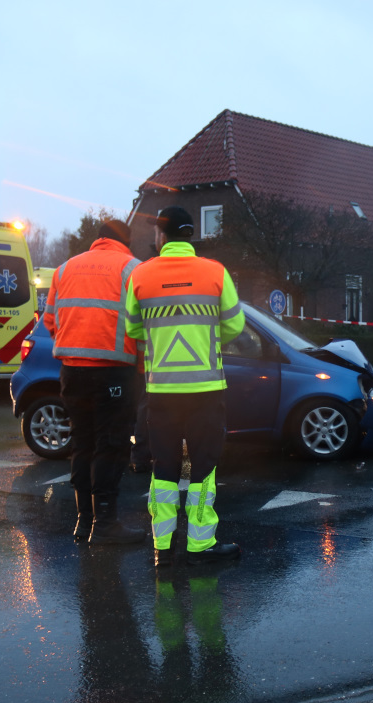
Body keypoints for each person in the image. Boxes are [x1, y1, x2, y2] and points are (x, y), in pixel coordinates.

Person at [125, 206, 245, 567]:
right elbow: (235, 326)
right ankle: (201, 545)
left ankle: (163, 545)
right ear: (191, 235)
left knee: (164, 468)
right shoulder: (216, 273)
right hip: (206, 390)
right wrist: (207, 338)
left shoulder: (141, 276)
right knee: (204, 467)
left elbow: (131, 330)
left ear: (161, 236)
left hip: (161, 392)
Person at [44, 219, 147, 545]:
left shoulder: (63, 270)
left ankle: (83, 521)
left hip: (73, 372)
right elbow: (142, 327)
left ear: (98, 239)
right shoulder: (133, 269)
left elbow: (50, 320)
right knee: (111, 444)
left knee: (82, 442)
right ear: (125, 240)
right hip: (114, 373)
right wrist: (141, 367)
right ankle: (105, 524)